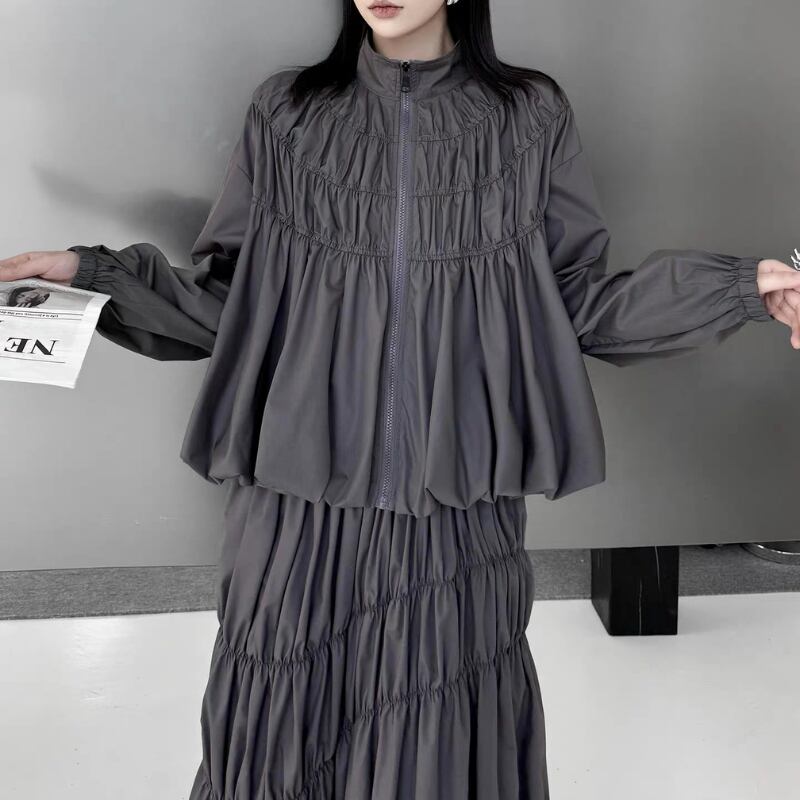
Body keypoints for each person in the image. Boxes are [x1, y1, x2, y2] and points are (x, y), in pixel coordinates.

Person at [2, 1, 798, 798]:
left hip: (451, 500)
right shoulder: (288, 113)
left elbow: (576, 302)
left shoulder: (529, 115)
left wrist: (738, 289)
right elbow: (230, 302)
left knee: (438, 726)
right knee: (279, 717)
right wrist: (92, 275)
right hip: (294, 499)